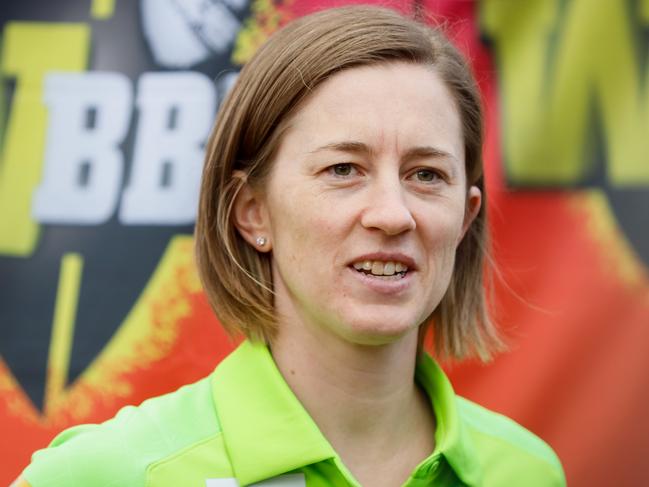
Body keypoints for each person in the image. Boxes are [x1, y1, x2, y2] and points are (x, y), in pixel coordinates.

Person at [16, 5, 566, 487]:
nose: (393, 214)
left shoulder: (525, 471)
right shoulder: (109, 474)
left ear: (466, 216)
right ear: (251, 211)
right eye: (343, 168)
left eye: (426, 175)